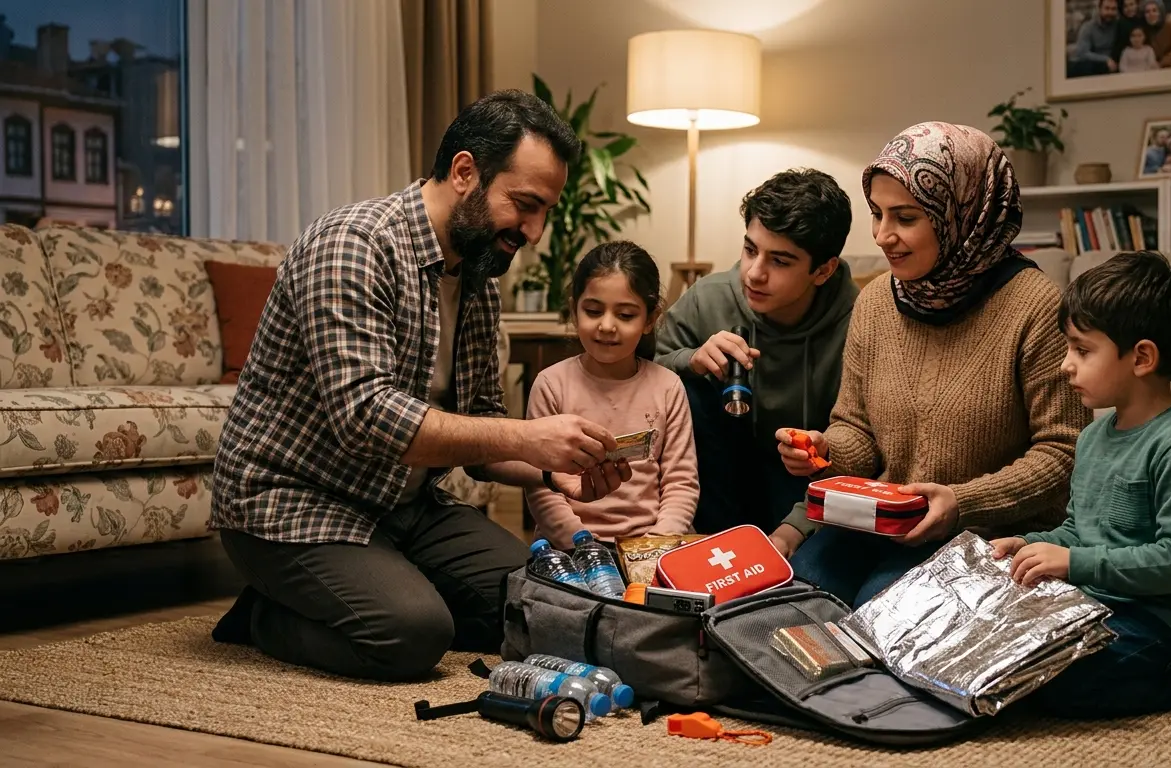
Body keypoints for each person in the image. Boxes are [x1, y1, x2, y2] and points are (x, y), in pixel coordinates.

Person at [207, 90, 636, 682]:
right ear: (465, 172)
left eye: (546, 213)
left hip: (405, 507)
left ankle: (377, 579)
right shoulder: (353, 246)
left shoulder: (480, 276)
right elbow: (367, 417)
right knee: (411, 636)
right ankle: (262, 616)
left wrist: (550, 470)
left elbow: (483, 428)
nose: (535, 232)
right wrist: (529, 436)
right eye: (525, 204)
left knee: (542, 607)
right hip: (292, 504)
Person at [770, 122, 1090, 608]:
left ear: (960, 212)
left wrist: (963, 502)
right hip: (879, 525)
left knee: (879, 628)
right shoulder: (875, 301)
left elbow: (1064, 453)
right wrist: (823, 449)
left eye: (904, 217)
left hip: (985, 534)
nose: (882, 236)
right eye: (877, 214)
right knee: (790, 607)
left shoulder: (1035, 305)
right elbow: (855, 428)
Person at [991, 250, 1171, 719]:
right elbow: (1078, 531)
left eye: (1082, 350)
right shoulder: (1094, 436)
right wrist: (1030, 545)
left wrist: (1075, 563)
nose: (1065, 365)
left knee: (1062, 686)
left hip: (1166, 622)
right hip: (1102, 602)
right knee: (1010, 662)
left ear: (1141, 357)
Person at [654, 168, 857, 534]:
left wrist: (795, 527)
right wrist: (691, 360)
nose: (754, 274)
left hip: (809, 487)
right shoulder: (708, 298)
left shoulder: (861, 323)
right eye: (750, 250)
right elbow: (639, 374)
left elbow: (865, 445)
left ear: (823, 271)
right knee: (684, 390)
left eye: (779, 261)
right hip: (717, 479)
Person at [525, 241, 699, 549]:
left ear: (649, 319)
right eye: (593, 311)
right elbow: (541, 484)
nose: (607, 326)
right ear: (574, 309)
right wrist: (579, 541)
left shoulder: (668, 387)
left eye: (626, 315)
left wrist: (659, 542)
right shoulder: (551, 385)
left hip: (650, 543)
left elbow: (680, 482)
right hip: (569, 546)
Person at [1069, 0, 1120, 77]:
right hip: (1091, 66)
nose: (1110, 12)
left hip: (1111, 66)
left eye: (1113, 9)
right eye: (1107, 8)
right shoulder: (1088, 27)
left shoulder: (1119, 25)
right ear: (1099, 9)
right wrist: (1105, 59)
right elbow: (1082, 53)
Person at [1143, 0, 1171, 68]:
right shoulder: (1146, 31)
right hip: (1158, 68)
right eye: (1147, 12)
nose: (1151, 14)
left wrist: (1160, 64)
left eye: (1154, 10)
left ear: (1160, 12)